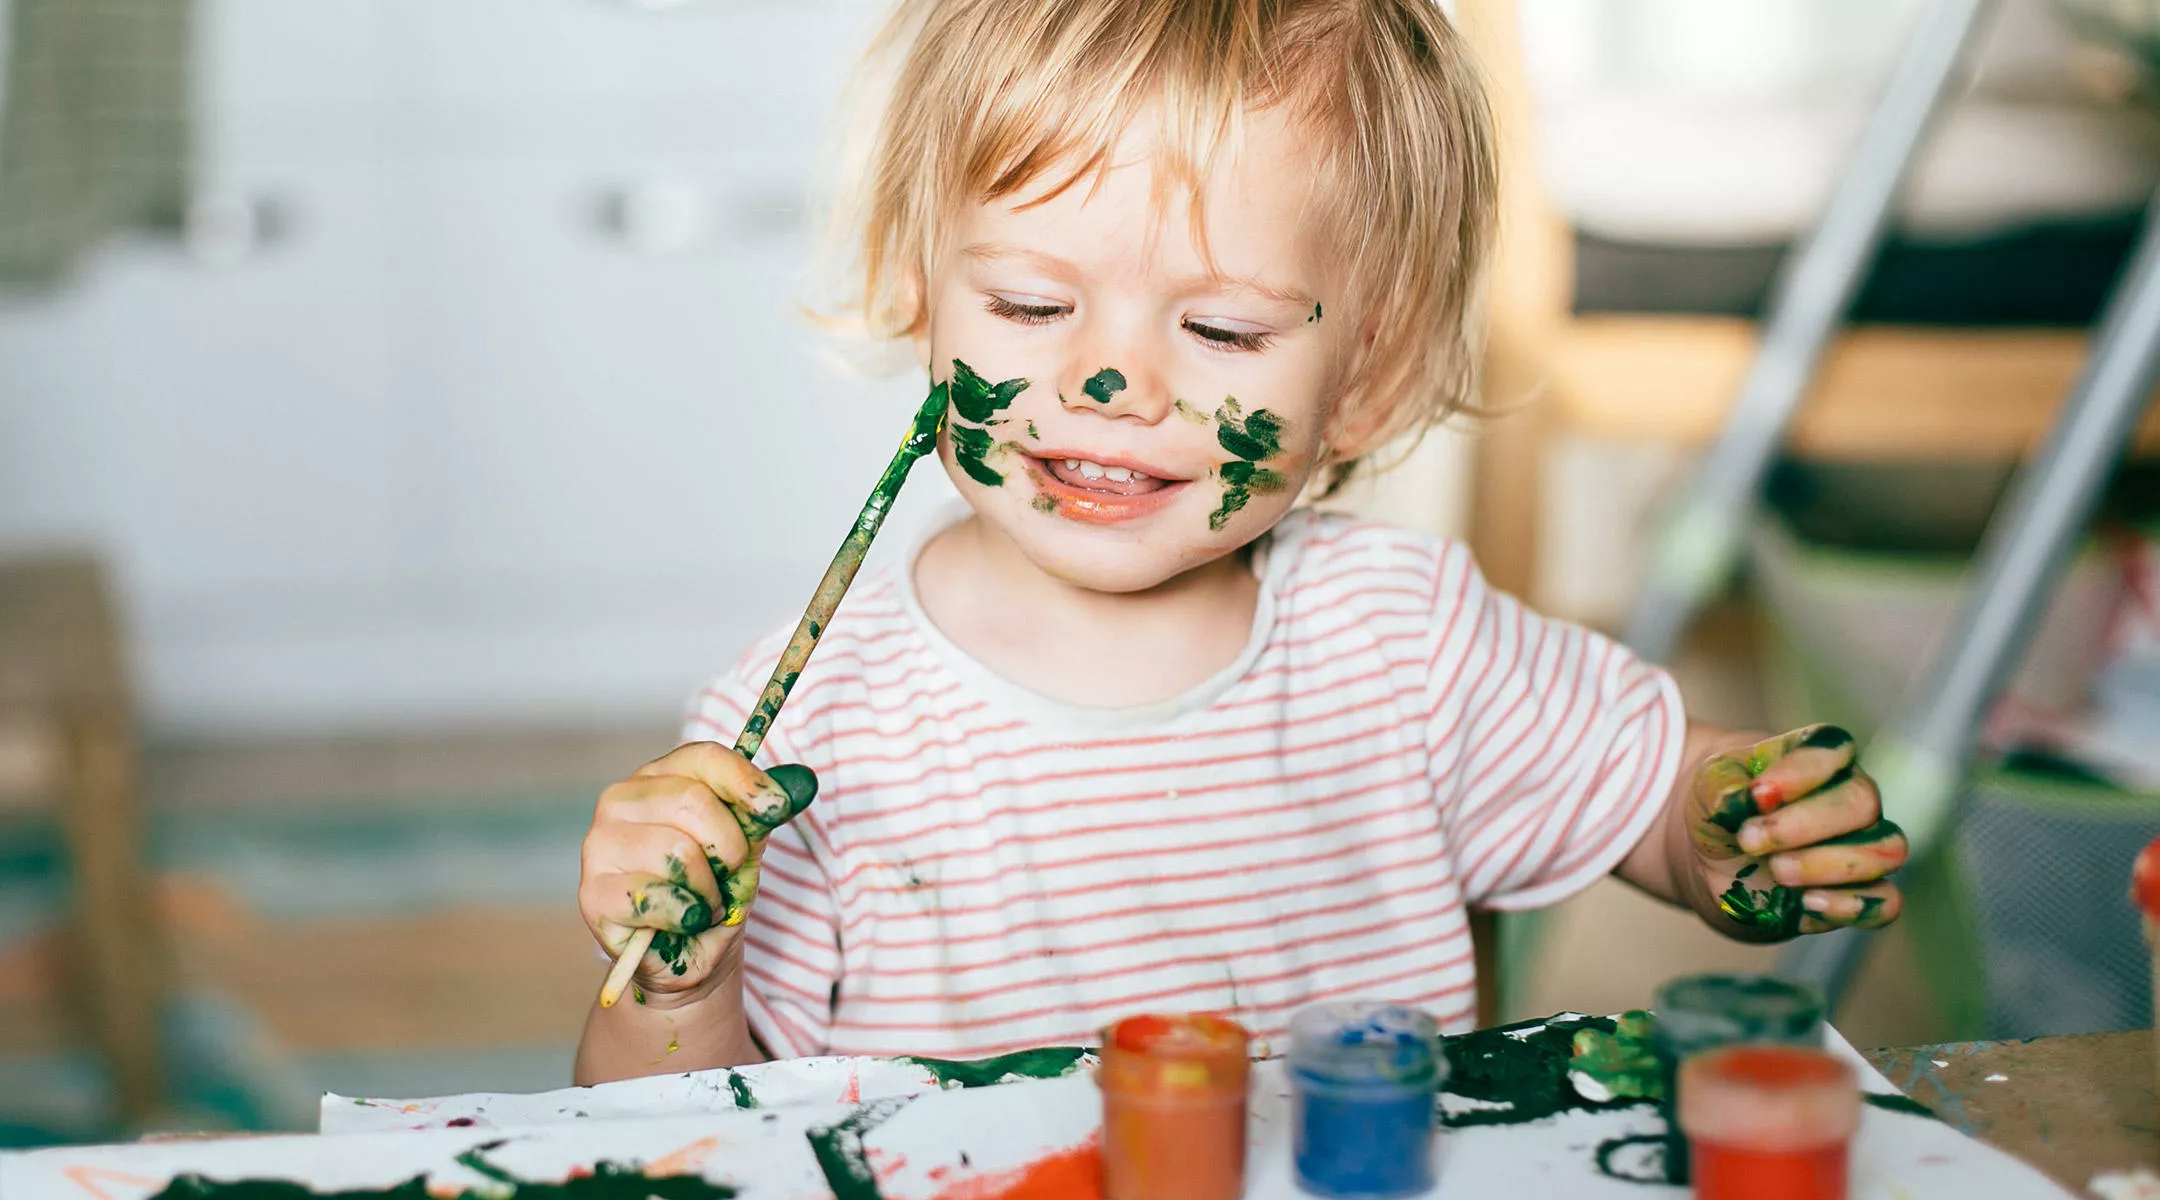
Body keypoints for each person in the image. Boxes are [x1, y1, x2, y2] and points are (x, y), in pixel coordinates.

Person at [573, 0, 1907, 1084]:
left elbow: (1662, 806)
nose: (1111, 383)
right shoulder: (803, 734)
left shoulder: (1406, 641)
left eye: (1221, 332)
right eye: (1032, 302)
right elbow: (672, 1134)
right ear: (920, 290)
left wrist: (1736, 829)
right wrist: (680, 975)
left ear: (1366, 379)